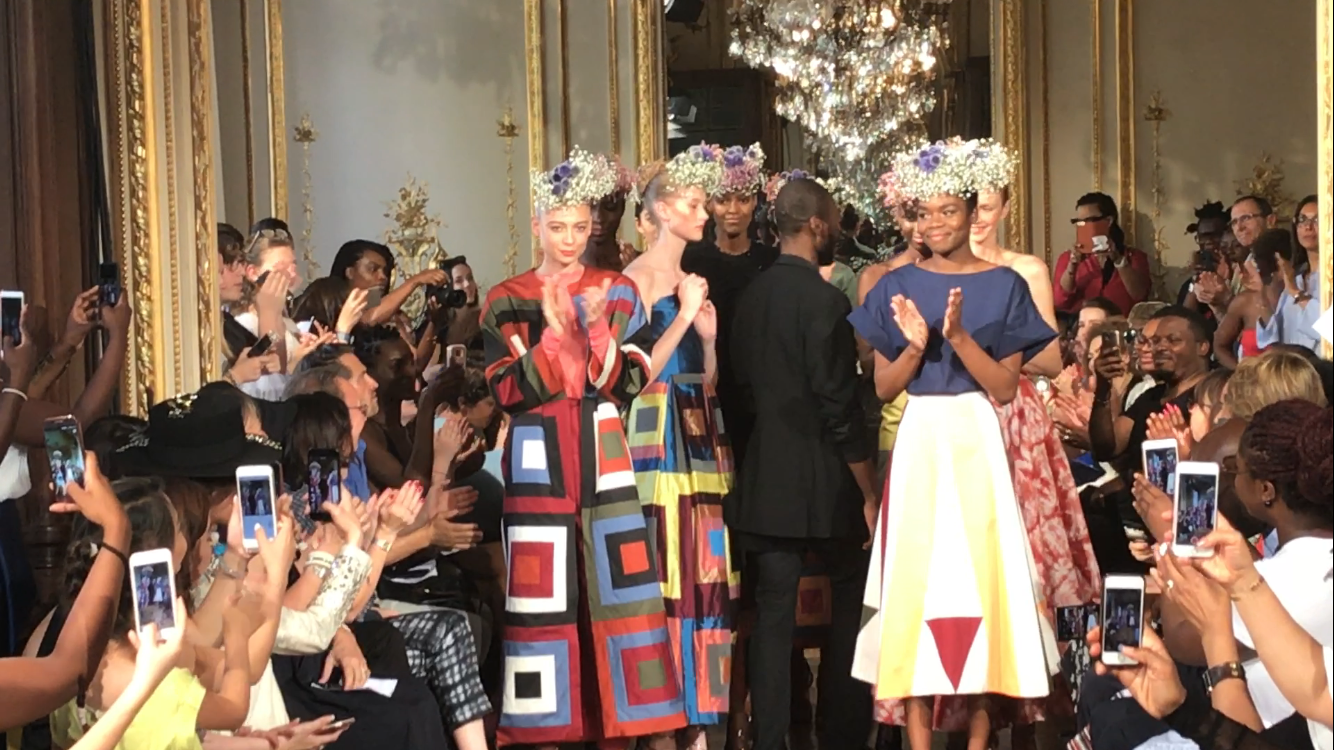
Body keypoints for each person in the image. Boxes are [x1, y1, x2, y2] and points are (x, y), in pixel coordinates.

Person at [849, 138, 1057, 750]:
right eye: (925, 213)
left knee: (981, 581)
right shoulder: (895, 284)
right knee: (916, 583)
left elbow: (1007, 387)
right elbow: (884, 388)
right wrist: (916, 346)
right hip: (920, 439)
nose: (936, 223)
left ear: (972, 211)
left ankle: (979, 741)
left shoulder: (1006, 284)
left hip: (977, 438)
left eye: (948, 211)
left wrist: (960, 337)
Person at [480, 147, 685, 745]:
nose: (569, 239)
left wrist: (596, 331)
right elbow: (505, 392)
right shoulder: (506, 298)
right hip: (538, 453)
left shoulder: (615, 291)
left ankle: (626, 721)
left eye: (578, 227)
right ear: (537, 225)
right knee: (542, 593)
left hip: (602, 448)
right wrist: (549, 342)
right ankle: (546, 726)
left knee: (617, 586)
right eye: (557, 227)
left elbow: (631, 381)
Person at [728, 176, 875, 750]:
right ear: (816, 225)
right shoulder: (827, 301)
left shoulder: (749, 297)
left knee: (772, 618)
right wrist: (868, 489)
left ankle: (770, 739)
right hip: (827, 482)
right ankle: (841, 734)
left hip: (765, 478)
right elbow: (839, 404)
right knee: (850, 603)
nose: (835, 229)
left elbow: (739, 391)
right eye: (832, 221)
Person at [620, 145, 735, 748]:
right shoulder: (635, 281)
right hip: (656, 431)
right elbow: (630, 376)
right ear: (662, 210)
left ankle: (700, 717)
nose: (705, 213)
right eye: (693, 203)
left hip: (698, 425)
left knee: (705, 574)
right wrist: (684, 315)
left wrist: (707, 339)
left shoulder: (691, 282)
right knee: (665, 568)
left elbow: (703, 378)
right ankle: (661, 716)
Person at [681, 144, 777, 468]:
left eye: (743, 199)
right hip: (707, 383)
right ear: (710, 203)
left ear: (755, 202)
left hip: (761, 391)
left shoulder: (771, 261)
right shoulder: (691, 261)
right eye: (723, 200)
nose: (733, 209)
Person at [1053, 192, 1152, 315]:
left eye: (1089, 220)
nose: (1084, 226)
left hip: (1119, 324)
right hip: (1082, 324)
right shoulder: (1067, 259)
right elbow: (1059, 302)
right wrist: (1072, 266)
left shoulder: (1134, 257)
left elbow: (1140, 297)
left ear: (1108, 221)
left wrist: (1118, 260)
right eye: (1079, 222)